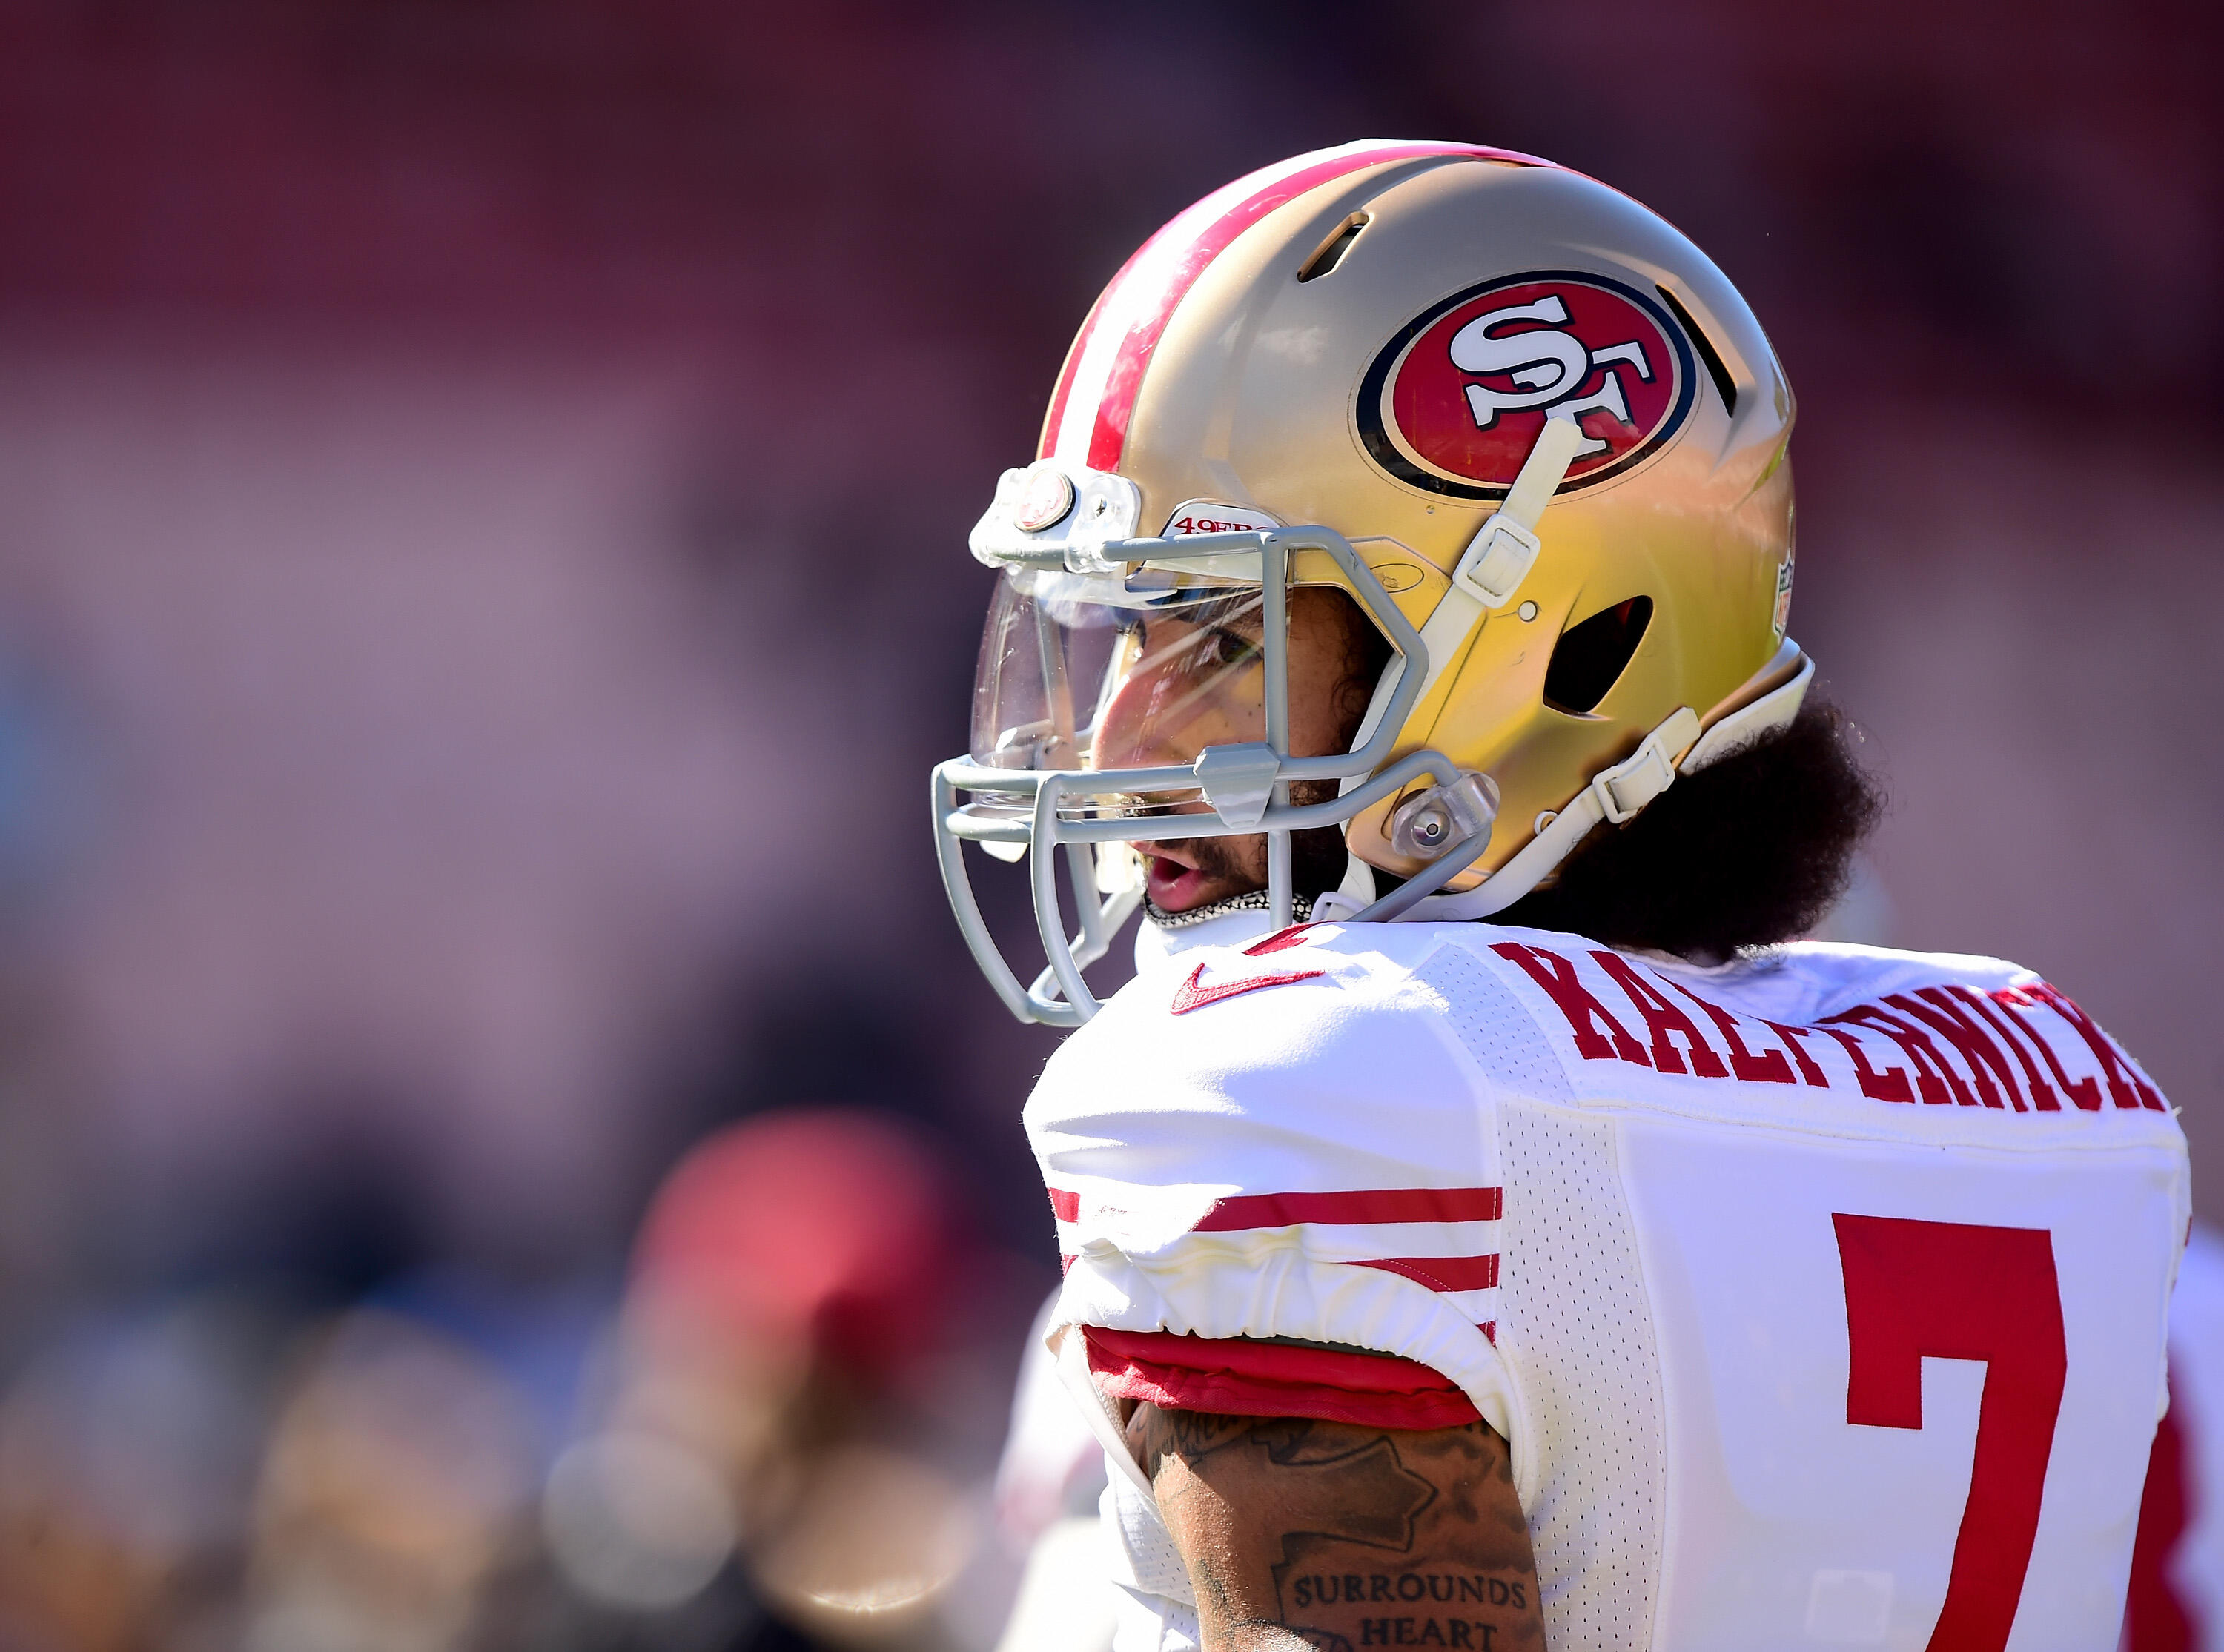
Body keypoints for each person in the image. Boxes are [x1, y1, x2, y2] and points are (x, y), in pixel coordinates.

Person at [937, 140, 2188, 1652]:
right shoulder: (2040, 1073)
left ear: (1552, 636)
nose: (1119, 735)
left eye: (1215, 634)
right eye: (1114, 633)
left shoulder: (1302, 1087)